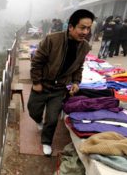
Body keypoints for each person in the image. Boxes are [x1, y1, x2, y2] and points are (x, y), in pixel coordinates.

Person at [28, 9, 94, 156]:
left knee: (52, 119)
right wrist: (37, 82)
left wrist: (76, 82)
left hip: (59, 88)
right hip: (43, 84)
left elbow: (79, 67)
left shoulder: (84, 47)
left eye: (88, 28)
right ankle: (38, 120)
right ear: (71, 27)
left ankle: (46, 142)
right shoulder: (52, 40)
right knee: (33, 110)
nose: (85, 32)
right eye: (82, 27)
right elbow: (37, 62)